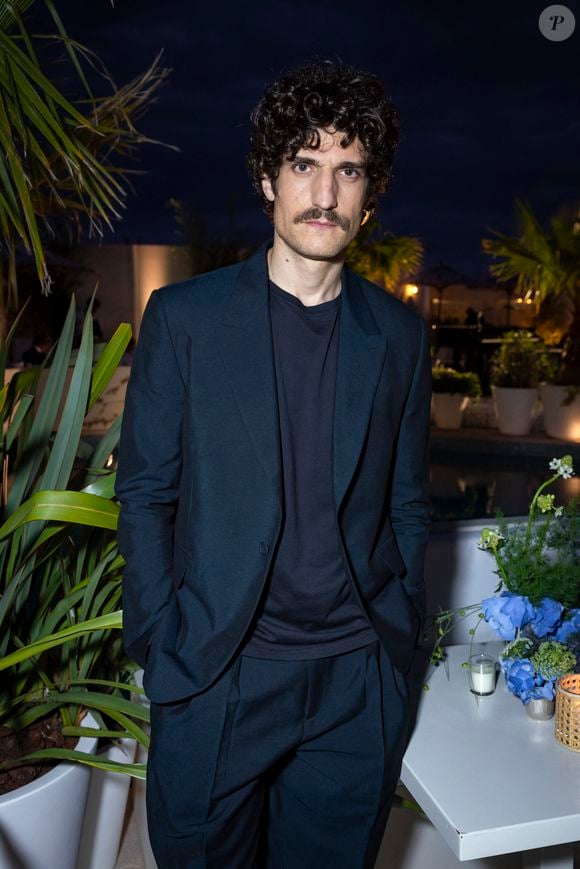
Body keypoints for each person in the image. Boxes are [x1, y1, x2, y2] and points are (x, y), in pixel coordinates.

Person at [114, 58, 432, 869]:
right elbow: (147, 492)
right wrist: (161, 640)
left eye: (347, 169)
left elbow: (406, 500)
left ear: (370, 192)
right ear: (267, 179)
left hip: (355, 683)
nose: (325, 194)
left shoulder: (397, 336)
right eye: (303, 164)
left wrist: (397, 636)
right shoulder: (184, 320)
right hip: (219, 672)